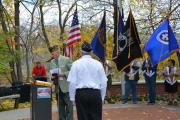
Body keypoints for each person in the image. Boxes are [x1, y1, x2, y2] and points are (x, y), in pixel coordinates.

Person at [67, 42, 107, 120]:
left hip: (81, 94)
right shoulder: (98, 64)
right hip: (95, 94)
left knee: (82, 117)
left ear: (81, 52)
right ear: (91, 52)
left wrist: (72, 98)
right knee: (96, 118)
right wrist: (102, 97)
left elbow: (72, 83)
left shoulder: (75, 64)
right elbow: (104, 83)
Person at [49, 45, 73, 120]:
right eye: (52, 54)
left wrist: (64, 74)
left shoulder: (66, 59)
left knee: (69, 107)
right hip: (57, 88)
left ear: (58, 52)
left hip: (66, 87)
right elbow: (51, 73)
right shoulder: (52, 62)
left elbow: (73, 71)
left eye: (53, 54)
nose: (52, 55)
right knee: (60, 107)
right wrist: (52, 77)